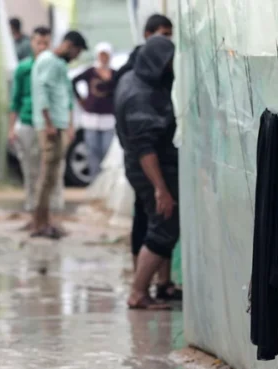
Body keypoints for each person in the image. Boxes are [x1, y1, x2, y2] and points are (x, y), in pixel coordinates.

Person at [115, 14, 178, 300]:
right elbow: (145, 148)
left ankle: (156, 286)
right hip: (149, 168)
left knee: (156, 221)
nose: (170, 66)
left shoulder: (133, 78)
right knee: (163, 226)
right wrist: (161, 189)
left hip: (142, 164)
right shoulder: (141, 95)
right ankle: (138, 292)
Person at [30, 30, 88, 239]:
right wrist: (49, 123)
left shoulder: (58, 64)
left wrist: (68, 124)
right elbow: (42, 91)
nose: (76, 57)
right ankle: (39, 223)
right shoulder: (49, 61)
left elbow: (64, 96)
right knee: (46, 177)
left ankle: (46, 221)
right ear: (69, 45)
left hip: (57, 124)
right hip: (50, 127)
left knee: (52, 177)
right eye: (77, 52)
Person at [8, 27, 54, 216]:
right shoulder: (23, 68)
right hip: (27, 122)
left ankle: (47, 206)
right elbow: (15, 100)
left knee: (49, 168)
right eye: (38, 42)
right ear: (32, 43)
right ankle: (31, 203)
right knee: (29, 167)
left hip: (48, 125)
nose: (42, 47)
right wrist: (11, 128)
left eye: (45, 43)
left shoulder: (54, 67)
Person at [73, 42, 116, 180]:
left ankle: (105, 182)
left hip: (109, 119)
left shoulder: (115, 74)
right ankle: (94, 182)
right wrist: (81, 100)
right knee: (92, 151)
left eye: (106, 55)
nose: (103, 58)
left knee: (106, 151)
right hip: (91, 118)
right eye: (101, 55)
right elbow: (74, 81)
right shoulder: (90, 72)